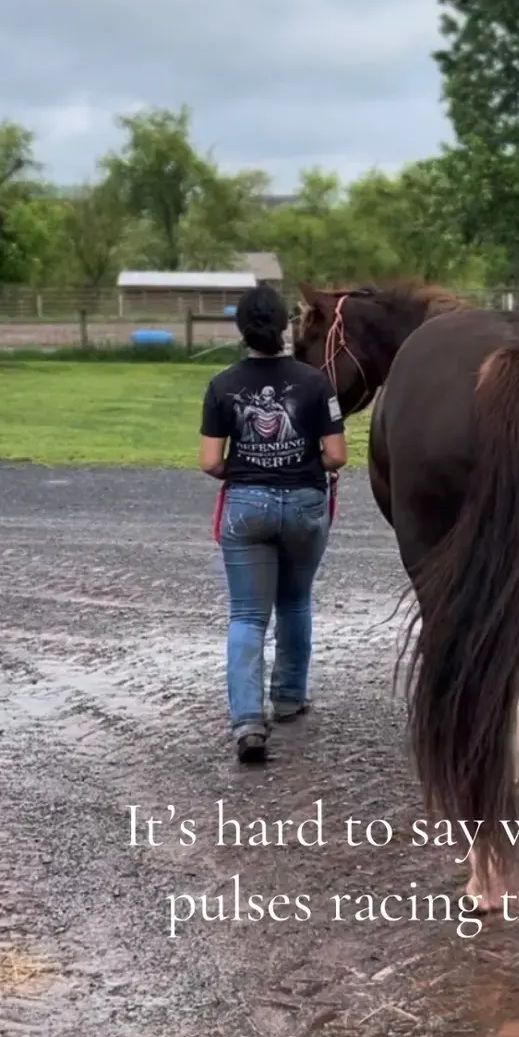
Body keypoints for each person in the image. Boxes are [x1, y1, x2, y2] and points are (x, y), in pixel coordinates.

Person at [199, 282, 347, 762]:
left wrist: (242, 469)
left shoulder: (221, 384)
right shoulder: (316, 383)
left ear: (241, 330)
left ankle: (247, 720)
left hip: (246, 505)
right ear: (285, 327)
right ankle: (287, 698)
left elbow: (208, 461)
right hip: (305, 504)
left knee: (246, 615)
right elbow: (336, 455)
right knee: (295, 602)